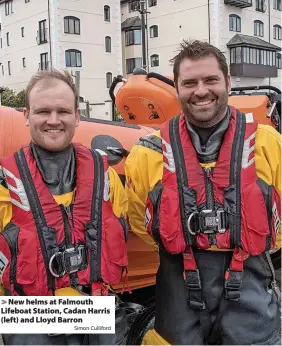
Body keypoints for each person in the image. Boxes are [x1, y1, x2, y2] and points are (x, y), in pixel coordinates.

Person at [125, 40, 281, 345]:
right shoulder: (145, 156)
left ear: (227, 82)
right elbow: (139, 222)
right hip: (177, 295)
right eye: (189, 82)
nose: (200, 91)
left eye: (210, 80)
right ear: (177, 89)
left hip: (251, 295)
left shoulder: (269, 145)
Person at [0, 70, 130, 345]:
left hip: (97, 314)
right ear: (26, 116)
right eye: (43, 111)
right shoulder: (4, 187)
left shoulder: (105, 177)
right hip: (30, 321)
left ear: (78, 116)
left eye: (63, 111)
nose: (54, 120)